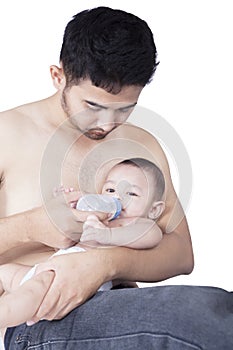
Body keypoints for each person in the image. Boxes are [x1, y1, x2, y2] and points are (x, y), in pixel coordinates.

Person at [1, 6, 231, 350]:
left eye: (125, 108)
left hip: (120, 307)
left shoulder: (142, 144)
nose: (107, 123)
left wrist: (104, 264)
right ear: (58, 76)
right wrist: (33, 226)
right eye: (93, 105)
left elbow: (181, 252)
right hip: (41, 317)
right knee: (198, 315)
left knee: (220, 305)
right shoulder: (7, 134)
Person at [0, 158, 166, 329]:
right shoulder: (95, 219)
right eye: (110, 189)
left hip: (69, 281)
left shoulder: (137, 224)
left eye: (131, 194)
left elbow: (152, 236)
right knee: (4, 272)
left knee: (30, 292)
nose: (117, 197)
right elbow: (63, 246)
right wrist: (68, 209)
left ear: (154, 210)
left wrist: (107, 234)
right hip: (51, 267)